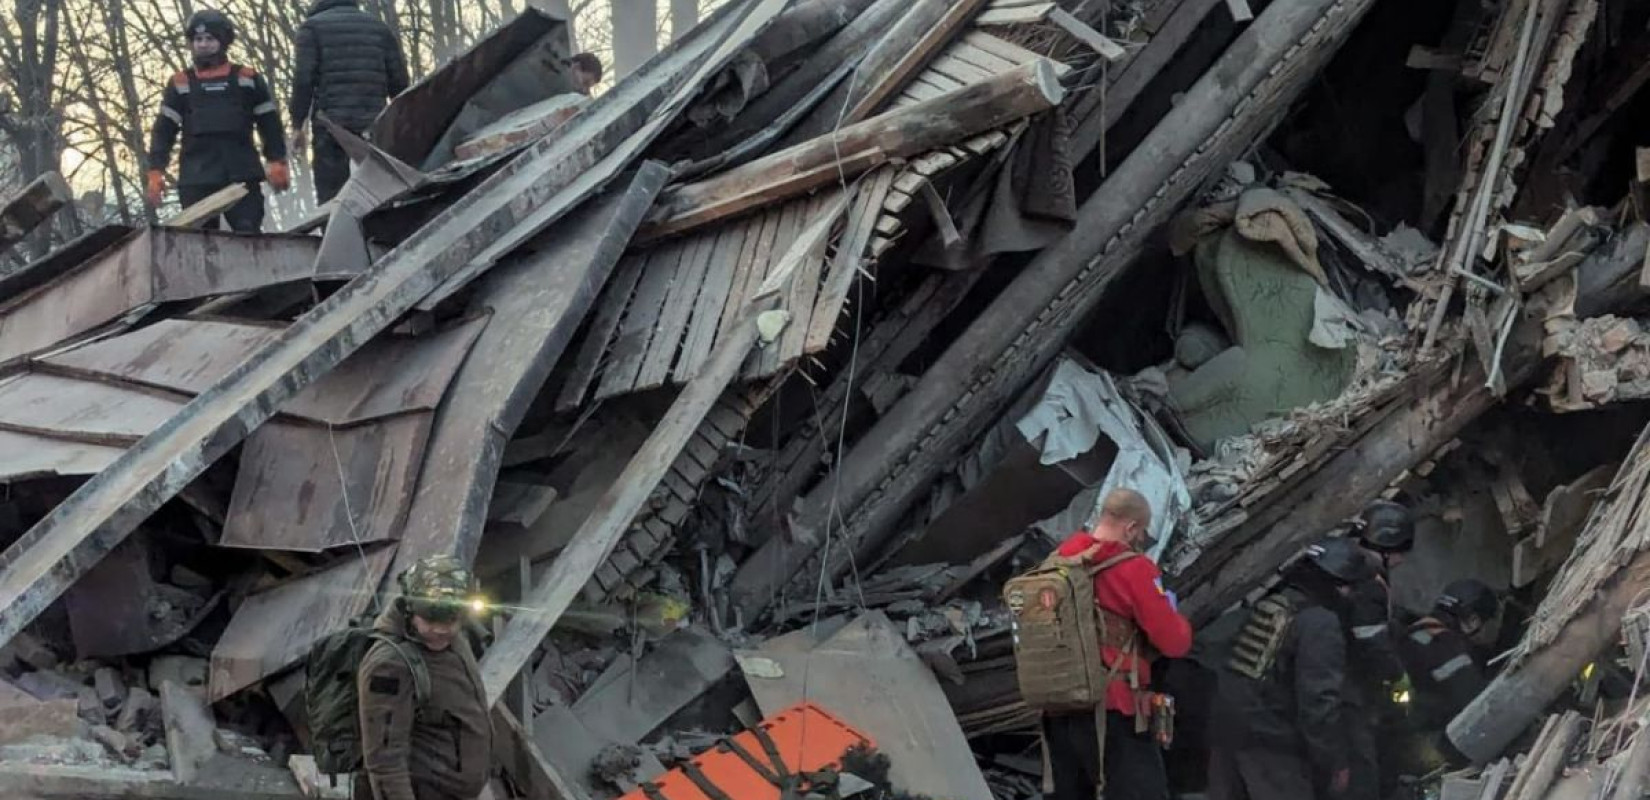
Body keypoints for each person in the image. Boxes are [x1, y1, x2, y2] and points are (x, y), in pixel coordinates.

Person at [1043, 488, 1192, 800]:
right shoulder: (1134, 569)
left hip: (1058, 701)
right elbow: (1174, 642)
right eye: (1142, 533)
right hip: (1113, 707)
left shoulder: (1061, 559)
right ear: (1131, 527)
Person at [1208, 537, 1375, 800]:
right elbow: (1318, 702)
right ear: (1341, 585)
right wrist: (1333, 762)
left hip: (1229, 736)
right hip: (1273, 750)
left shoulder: (1273, 604)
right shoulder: (1319, 623)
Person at [357, 556, 493, 800]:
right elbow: (385, 764)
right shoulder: (389, 666)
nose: (441, 629)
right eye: (430, 619)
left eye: (451, 620)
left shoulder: (452, 640)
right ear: (410, 610)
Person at [146, 9, 290, 232]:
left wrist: (277, 160)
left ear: (223, 41)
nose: (203, 45)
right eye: (198, 39)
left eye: (209, 39)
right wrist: (156, 170)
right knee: (199, 240)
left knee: (248, 233)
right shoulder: (180, 82)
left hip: (241, 175)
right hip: (196, 178)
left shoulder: (247, 78)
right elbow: (164, 130)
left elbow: (269, 123)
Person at [288, 0, 410, 204]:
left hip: (331, 126)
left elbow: (303, 80)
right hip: (374, 123)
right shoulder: (378, 27)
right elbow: (399, 83)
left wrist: (297, 125)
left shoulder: (312, 29)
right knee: (381, 191)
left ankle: (336, 234)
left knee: (333, 197)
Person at [1345, 500, 1415, 798]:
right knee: (1362, 768)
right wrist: (1398, 675)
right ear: (1388, 548)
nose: (1402, 561)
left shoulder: (1352, 565)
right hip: (1347, 689)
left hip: (1343, 683)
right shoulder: (1367, 581)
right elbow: (1371, 640)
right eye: (1401, 553)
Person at [1397, 579, 1497, 736]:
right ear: (1473, 621)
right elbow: (1476, 699)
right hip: (1416, 734)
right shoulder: (1447, 645)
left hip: (1392, 724)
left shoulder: (1413, 631)